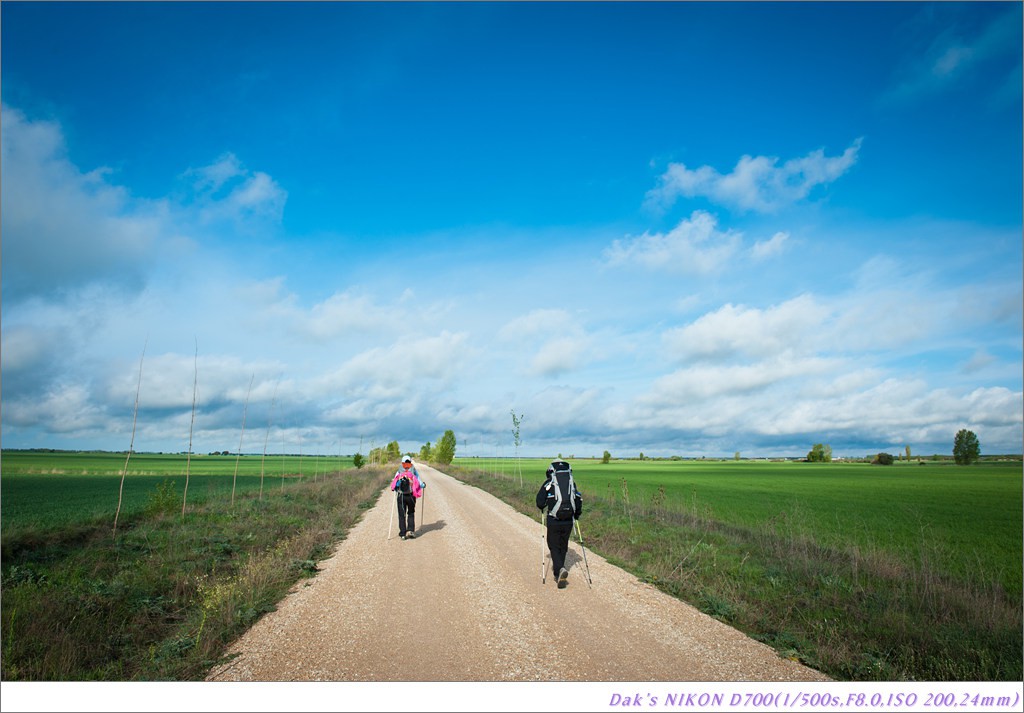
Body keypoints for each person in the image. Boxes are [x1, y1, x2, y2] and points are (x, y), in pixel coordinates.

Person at [536, 459, 582, 588]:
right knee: (563, 544)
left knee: (553, 545)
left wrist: (543, 506)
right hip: (568, 520)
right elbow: (577, 500)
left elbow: (540, 502)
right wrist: (577, 514)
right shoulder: (571, 483)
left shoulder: (549, 483)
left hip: (553, 519)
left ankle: (559, 570)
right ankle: (560, 570)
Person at [390, 456, 425, 540]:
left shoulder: (399, 471)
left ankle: (402, 533)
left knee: (401, 515)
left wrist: (394, 488)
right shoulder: (413, 470)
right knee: (411, 513)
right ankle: (410, 531)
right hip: (411, 496)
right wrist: (423, 485)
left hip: (401, 496)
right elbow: (419, 482)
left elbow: (394, 483)